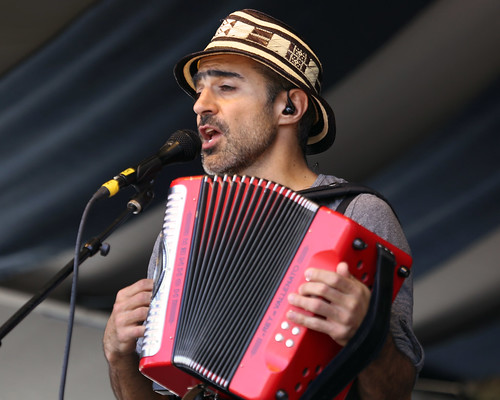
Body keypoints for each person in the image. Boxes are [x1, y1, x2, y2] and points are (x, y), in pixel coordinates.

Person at [103, 9, 424, 400]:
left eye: (226, 87)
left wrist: (368, 336)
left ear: (289, 107)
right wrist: (119, 359)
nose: (200, 105)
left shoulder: (355, 214)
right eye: (200, 89)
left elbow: (397, 393)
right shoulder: (185, 228)